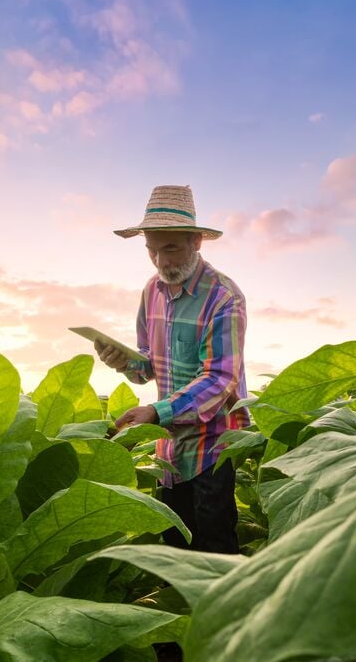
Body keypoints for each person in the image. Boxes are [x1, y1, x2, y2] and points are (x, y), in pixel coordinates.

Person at [95, 184, 249, 554]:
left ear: (196, 241)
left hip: (213, 444)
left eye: (171, 248)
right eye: (152, 250)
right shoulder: (152, 291)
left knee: (214, 550)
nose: (161, 261)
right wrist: (123, 361)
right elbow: (149, 364)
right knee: (175, 547)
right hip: (170, 447)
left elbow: (220, 379)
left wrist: (156, 412)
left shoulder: (224, 297)